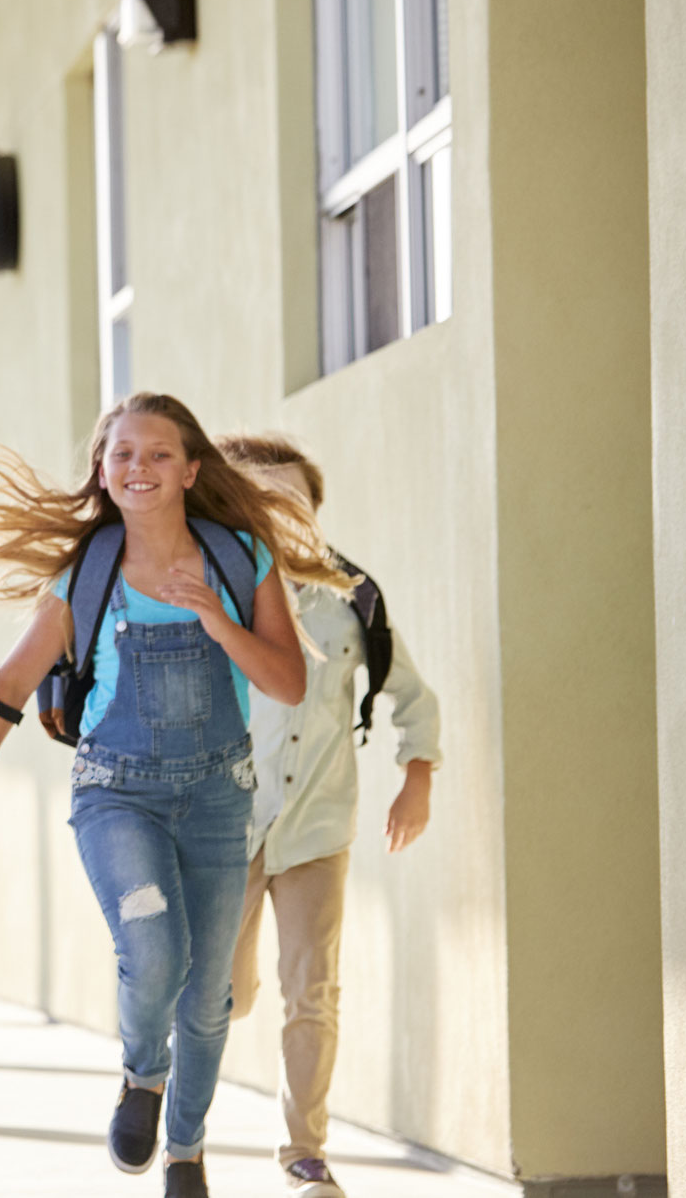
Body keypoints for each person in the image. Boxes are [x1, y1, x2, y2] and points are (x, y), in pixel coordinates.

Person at [0, 393, 345, 1198]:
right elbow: (12, 682)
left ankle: (185, 1152)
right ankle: (142, 1077)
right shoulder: (86, 572)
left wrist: (215, 619)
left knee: (211, 993)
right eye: (122, 454)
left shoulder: (239, 557)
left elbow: (288, 681)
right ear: (102, 469)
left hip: (220, 797)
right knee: (154, 949)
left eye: (158, 454)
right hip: (116, 792)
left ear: (191, 469)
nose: (139, 467)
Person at [216, 434, 441, 1198]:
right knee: (225, 993)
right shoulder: (214, 593)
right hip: (227, 827)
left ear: (314, 509)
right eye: (264, 500)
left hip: (319, 825)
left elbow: (412, 695)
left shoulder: (355, 597)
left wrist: (417, 776)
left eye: (295, 499)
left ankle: (304, 1152)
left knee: (312, 990)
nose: (284, 513)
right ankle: (185, 1123)